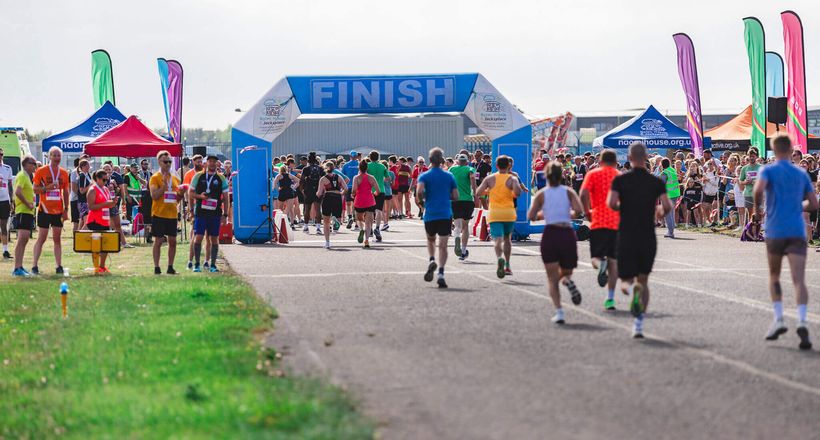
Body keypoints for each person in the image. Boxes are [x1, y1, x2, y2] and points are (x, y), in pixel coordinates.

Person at [753, 134, 818, 350]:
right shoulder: (800, 173)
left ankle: (779, 318)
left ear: (773, 149)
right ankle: (801, 321)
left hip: (775, 229)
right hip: (797, 230)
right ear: (791, 149)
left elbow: (758, 190)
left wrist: (756, 211)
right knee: (799, 280)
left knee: (774, 275)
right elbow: (815, 203)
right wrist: (798, 206)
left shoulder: (768, 170)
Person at [607, 142, 673, 338]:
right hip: (647, 235)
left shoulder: (620, 181)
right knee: (643, 280)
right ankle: (639, 325)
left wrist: (625, 208)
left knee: (625, 280)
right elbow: (667, 205)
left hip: (627, 233)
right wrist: (659, 212)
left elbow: (611, 203)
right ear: (646, 158)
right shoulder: (656, 182)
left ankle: (630, 288)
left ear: (628, 158)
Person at [528, 161, 585, 324]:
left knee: (552, 278)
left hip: (550, 233)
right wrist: (566, 212)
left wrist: (543, 214)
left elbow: (531, 216)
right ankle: (568, 281)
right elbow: (579, 210)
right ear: (561, 175)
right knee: (565, 273)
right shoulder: (568, 191)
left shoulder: (542, 194)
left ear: (545, 176)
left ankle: (559, 312)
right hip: (566, 233)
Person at [579, 149, 621, 311]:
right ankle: (610, 298)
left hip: (597, 220)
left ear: (601, 161)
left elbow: (583, 194)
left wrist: (587, 211)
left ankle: (600, 264)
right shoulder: (619, 176)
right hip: (615, 223)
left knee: (596, 258)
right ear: (615, 161)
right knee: (614, 261)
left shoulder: (593, 174)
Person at [416, 147, 458, 288]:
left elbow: (419, 191)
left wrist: (422, 202)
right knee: (444, 245)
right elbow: (455, 196)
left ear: (429, 160)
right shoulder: (449, 176)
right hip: (445, 213)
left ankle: (431, 259)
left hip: (430, 213)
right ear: (442, 160)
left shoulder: (424, 176)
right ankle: (441, 273)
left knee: (431, 239)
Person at [476, 155, 522, 278]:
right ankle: (507, 265)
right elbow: (518, 192)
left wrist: (489, 191)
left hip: (495, 213)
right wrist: (512, 193)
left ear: (496, 166)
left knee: (497, 240)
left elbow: (478, 192)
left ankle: (499, 259)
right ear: (509, 166)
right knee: (507, 239)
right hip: (508, 213)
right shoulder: (513, 178)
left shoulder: (489, 178)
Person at [31, 147, 70, 275]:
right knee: (41, 238)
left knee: (57, 239)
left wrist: (66, 209)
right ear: (49, 156)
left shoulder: (64, 173)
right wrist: (47, 187)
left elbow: (66, 192)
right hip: (44, 209)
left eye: (59, 155)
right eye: (54, 155)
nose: (57, 158)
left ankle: (59, 266)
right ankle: (34, 266)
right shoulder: (41, 171)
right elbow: (35, 189)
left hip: (58, 211)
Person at [189, 154, 230, 273]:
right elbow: (190, 193)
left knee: (214, 239)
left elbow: (226, 197)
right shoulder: (198, 176)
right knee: (198, 237)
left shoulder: (221, 178)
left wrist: (225, 215)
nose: (212, 163)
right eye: (210, 161)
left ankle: (212, 265)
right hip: (201, 213)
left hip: (215, 213)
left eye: (214, 162)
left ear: (217, 164)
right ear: (205, 163)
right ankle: (196, 264)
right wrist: (200, 196)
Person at [149, 150, 185, 275]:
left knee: (173, 241)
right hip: (159, 214)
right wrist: (164, 186)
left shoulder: (175, 178)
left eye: (169, 161)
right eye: (165, 162)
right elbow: (154, 196)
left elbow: (177, 199)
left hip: (172, 214)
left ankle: (170, 267)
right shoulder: (155, 177)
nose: (168, 164)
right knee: (158, 241)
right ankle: (156, 267)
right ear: (159, 162)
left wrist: (181, 194)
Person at [85, 169, 117, 274]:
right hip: (94, 220)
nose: (105, 182)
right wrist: (106, 204)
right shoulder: (92, 190)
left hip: (105, 220)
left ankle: (102, 266)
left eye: (107, 180)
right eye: (103, 180)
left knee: (106, 245)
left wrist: (113, 203)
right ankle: (96, 267)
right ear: (97, 179)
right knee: (96, 245)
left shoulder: (106, 189)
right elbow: (91, 206)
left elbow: (108, 204)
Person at [11, 155, 36, 276]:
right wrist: (27, 203)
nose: (34, 166)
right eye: (32, 163)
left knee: (25, 239)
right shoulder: (22, 175)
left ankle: (19, 266)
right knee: (22, 239)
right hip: (23, 211)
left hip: (27, 212)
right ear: (25, 164)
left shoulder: (27, 176)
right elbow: (18, 191)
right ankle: (17, 268)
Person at [448, 154, 476, 261]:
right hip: (467, 200)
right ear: (467, 161)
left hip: (455, 200)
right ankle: (463, 251)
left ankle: (456, 238)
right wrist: (474, 192)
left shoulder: (452, 169)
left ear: (457, 161)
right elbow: (472, 177)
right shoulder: (470, 168)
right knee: (465, 226)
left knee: (457, 225)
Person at [316, 161, 345, 249]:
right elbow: (346, 188)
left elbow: (319, 193)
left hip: (328, 197)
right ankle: (335, 220)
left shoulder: (323, 178)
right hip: (337, 197)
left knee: (325, 221)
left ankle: (327, 242)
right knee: (338, 219)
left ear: (325, 168)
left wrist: (317, 194)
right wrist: (341, 193)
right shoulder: (338, 177)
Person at [352, 160, 379, 248]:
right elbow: (378, 191)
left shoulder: (356, 178)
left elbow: (354, 190)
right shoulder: (371, 178)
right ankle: (366, 240)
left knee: (359, 219)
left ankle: (361, 229)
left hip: (359, 201)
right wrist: (374, 194)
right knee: (368, 223)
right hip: (370, 201)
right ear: (367, 168)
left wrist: (353, 194)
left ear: (359, 168)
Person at [300, 152, 325, 234]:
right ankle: (318, 228)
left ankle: (306, 227)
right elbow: (324, 179)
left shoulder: (306, 169)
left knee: (307, 209)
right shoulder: (320, 168)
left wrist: (302, 190)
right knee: (318, 209)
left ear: (308, 160)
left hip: (308, 190)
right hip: (318, 190)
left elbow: (302, 180)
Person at [366, 151, 388, 241]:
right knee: (379, 210)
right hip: (381, 190)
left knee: (370, 211)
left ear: (370, 157)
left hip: (370, 190)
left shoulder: (367, 165)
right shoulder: (382, 166)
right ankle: (377, 228)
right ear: (378, 157)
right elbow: (388, 178)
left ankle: (370, 229)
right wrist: (381, 179)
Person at [659, 158, 680, 239]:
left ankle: (670, 232)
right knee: (671, 213)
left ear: (662, 165)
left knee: (668, 214)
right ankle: (671, 230)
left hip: (668, 195)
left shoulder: (664, 173)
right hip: (675, 194)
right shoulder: (672, 170)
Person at [0, 147, 14, 259]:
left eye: (1, 154)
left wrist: (11, 200)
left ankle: (5, 250)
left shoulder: (7, 168)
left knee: (4, 226)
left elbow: (10, 185)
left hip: (4, 201)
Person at [342, 151, 361, 228]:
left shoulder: (346, 165)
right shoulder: (360, 164)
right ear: (357, 156)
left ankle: (350, 217)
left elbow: (343, 176)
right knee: (356, 204)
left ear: (350, 156)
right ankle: (356, 221)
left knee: (348, 203)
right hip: (357, 187)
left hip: (348, 186)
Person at [139, 159, 154, 242]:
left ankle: (150, 234)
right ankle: (146, 234)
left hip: (149, 195)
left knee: (150, 217)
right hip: (141, 195)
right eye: (144, 164)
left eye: (147, 164)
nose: (146, 165)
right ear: (141, 165)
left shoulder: (150, 174)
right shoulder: (138, 174)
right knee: (146, 216)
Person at [76, 159, 92, 229]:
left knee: (82, 221)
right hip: (83, 202)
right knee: (87, 222)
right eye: (88, 165)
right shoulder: (82, 176)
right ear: (84, 166)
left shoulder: (87, 175)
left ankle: (77, 236)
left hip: (86, 201)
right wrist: (90, 186)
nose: (89, 166)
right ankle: (80, 238)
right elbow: (81, 191)